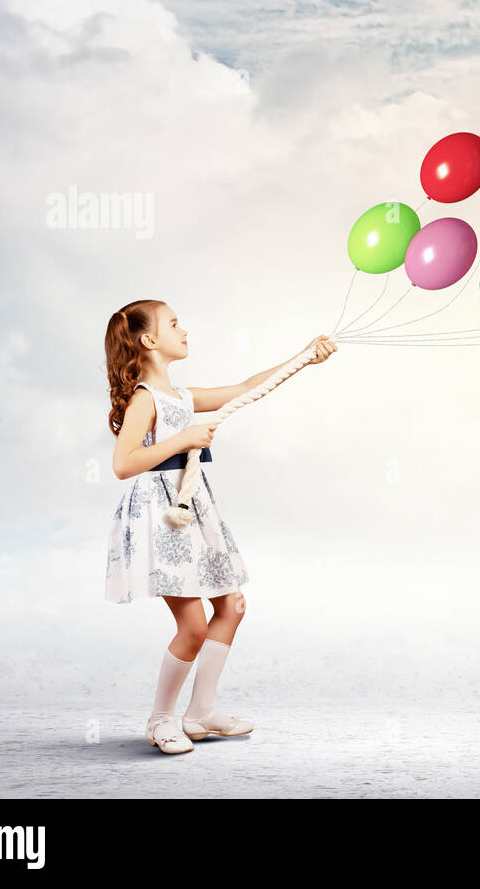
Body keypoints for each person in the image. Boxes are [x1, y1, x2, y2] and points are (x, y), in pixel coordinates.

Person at [103, 299, 336, 753]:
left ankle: (200, 713)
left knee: (232, 606)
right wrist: (183, 438)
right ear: (149, 340)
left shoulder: (182, 397)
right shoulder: (145, 399)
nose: (184, 329)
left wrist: (304, 356)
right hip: (164, 515)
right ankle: (160, 720)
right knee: (192, 627)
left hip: (193, 510)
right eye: (174, 323)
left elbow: (248, 387)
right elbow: (123, 463)